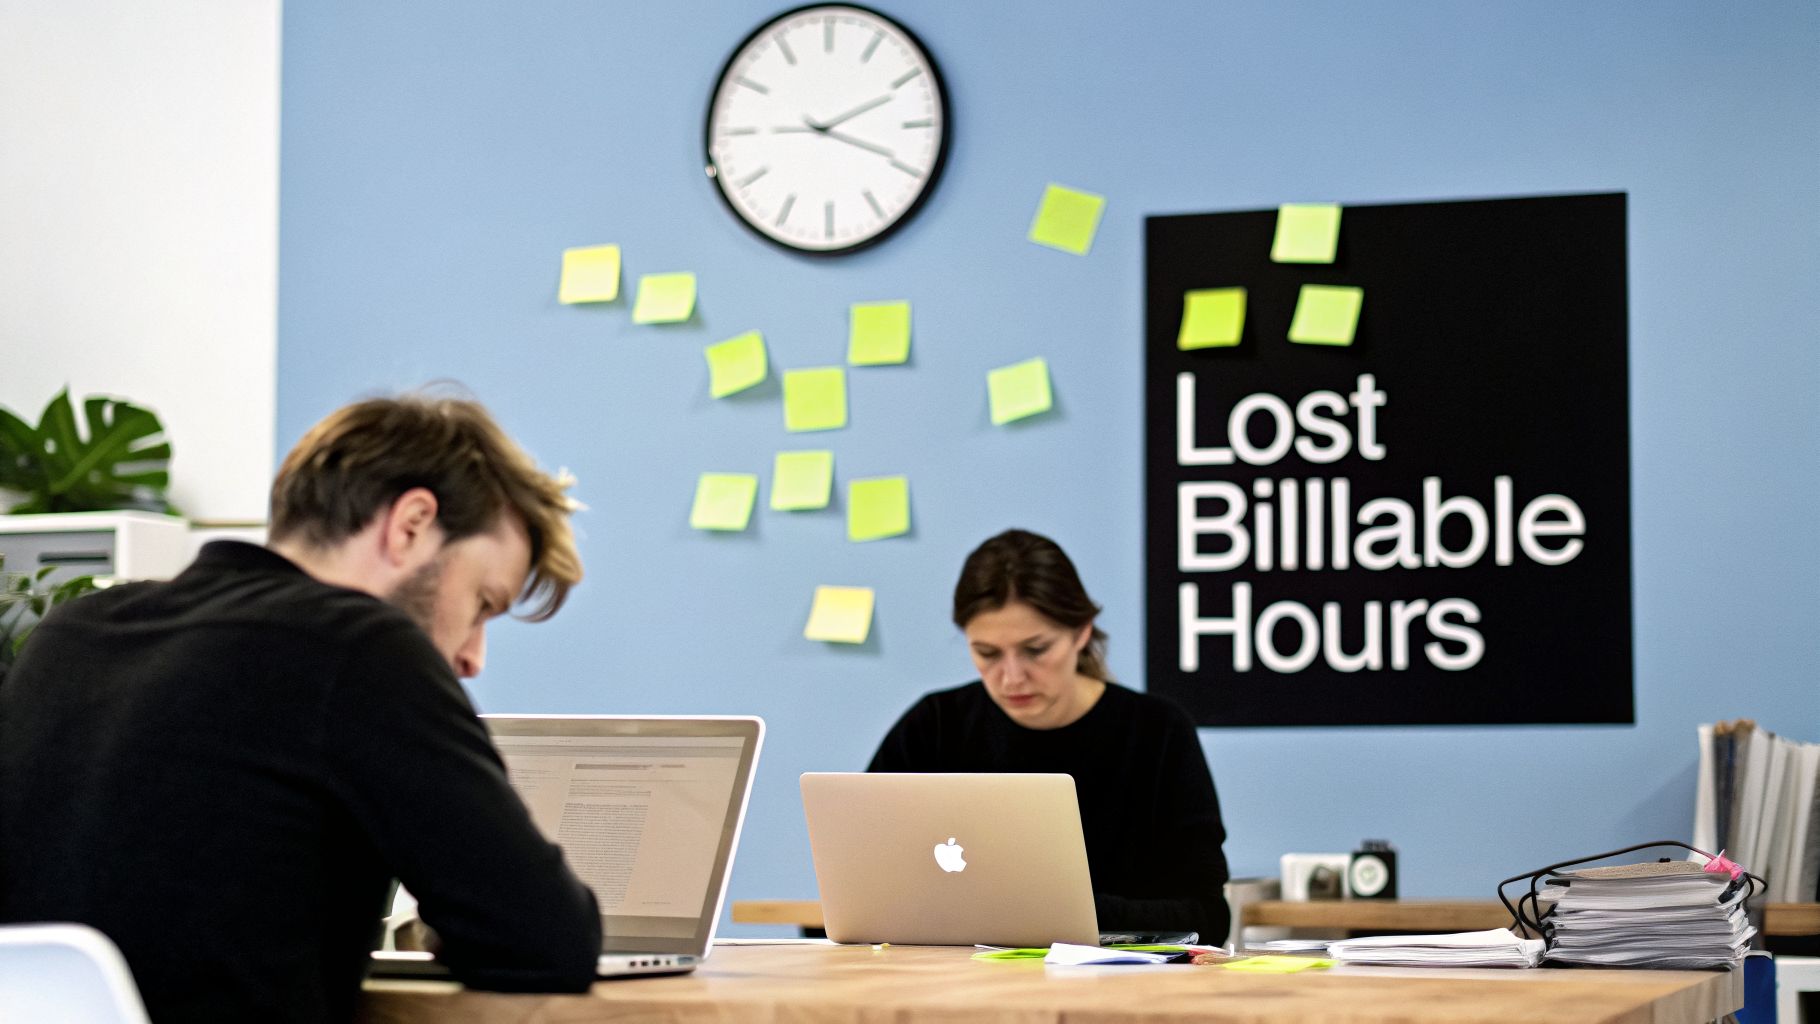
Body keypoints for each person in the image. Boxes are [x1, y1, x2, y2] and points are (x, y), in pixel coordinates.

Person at [0, 393, 603, 1023]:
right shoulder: (361, 648)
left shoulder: (75, 632)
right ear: (412, 524)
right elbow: (546, 941)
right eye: (482, 602)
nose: (474, 655)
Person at [868, 528, 1232, 944]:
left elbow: (1207, 918)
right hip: (954, 990)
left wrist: (1061, 914)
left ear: (1081, 633)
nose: (1011, 677)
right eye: (986, 653)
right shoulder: (933, 725)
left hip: (1119, 992)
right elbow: (860, 888)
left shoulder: (1158, 733)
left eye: (1036, 649)